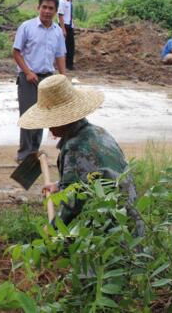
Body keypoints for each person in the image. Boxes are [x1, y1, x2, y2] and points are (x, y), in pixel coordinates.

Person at [18, 74, 144, 237]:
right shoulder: (99, 132)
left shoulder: (74, 147)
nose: (49, 127)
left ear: (65, 119)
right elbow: (89, 176)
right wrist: (59, 185)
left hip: (114, 229)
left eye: (52, 121)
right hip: (131, 221)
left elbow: (73, 204)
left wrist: (52, 229)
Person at [13, 0, 66, 164]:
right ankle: (24, 154)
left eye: (51, 8)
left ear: (56, 11)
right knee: (28, 115)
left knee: (43, 116)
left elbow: (60, 55)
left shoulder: (57, 31)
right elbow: (16, 52)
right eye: (44, 7)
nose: (47, 11)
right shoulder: (27, 27)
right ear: (38, 8)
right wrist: (28, 72)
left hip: (47, 79)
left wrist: (63, 77)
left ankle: (34, 151)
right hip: (28, 78)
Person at [58, 0, 78, 71]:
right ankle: (65, 64)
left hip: (69, 26)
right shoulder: (62, 2)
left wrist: (73, 24)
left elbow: (69, 15)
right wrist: (63, 29)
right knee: (64, 47)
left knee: (70, 46)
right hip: (64, 26)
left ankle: (69, 64)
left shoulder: (69, 2)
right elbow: (60, 16)